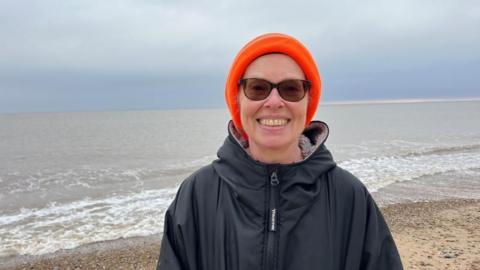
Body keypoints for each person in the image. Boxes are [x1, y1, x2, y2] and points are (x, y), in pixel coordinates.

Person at [156, 33, 404, 270]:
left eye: (291, 89)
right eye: (257, 88)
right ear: (238, 99)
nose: (274, 101)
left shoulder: (350, 197)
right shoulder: (197, 195)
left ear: (308, 102)